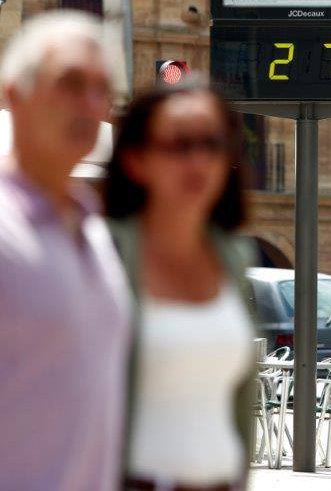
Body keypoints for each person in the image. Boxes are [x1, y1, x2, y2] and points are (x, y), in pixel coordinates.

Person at [0, 11, 132, 490]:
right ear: (14, 94)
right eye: (71, 83)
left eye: (102, 90)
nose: (90, 104)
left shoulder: (92, 231)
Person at [104, 80, 257, 491]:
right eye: (179, 145)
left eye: (212, 144)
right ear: (136, 159)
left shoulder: (233, 256)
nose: (198, 161)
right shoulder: (105, 255)